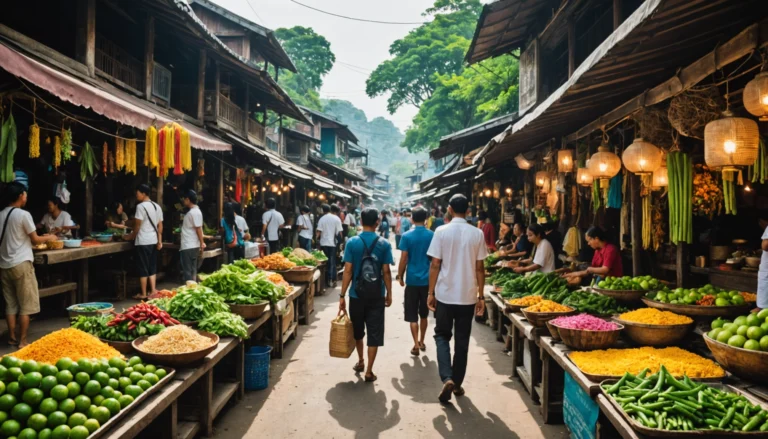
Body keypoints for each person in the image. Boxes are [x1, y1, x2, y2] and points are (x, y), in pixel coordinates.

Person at [427, 194, 487, 403]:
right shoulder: (477, 233)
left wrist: (430, 292)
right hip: (467, 296)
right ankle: (457, 383)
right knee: (462, 341)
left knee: (442, 336)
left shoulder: (441, 232)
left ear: (450, 209)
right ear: (468, 210)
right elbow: (480, 268)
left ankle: (447, 377)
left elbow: (435, 264)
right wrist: (481, 296)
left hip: (445, 294)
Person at [339, 207, 393, 383]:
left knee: (358, 331)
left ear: (361, 222)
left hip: (356, 295)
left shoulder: (352, 242)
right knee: (374, 332)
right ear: (377, 222)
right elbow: (386, 271)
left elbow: (347, 271)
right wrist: (389, 293)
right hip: (377, 295)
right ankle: (369, 370)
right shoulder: (384, 244)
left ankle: (361, 360)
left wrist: (342, 295)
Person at [0, 183, 57, 347]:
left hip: (4, 265)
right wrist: (50, 237)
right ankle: (22, 340)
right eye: (25, 194)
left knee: (10, 304)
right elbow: (35, 239)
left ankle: (11, 337)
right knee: (26, 305)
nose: (26, 197)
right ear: (19, 196)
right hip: (21, 264)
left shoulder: (1, 215)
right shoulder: (23, 215)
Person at [397, 206, 434, 356]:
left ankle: (415, 344)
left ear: (412, 218)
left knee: (412, 315)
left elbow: (404, 258)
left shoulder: (406, 236)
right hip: (427, 281)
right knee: (424, 314)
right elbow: (436, 260)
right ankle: (422, 340)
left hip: (412, 280)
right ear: (426, 219)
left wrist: (400, 275)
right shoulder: (432, 235)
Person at [123, 184, 163, 300]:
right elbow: (160, 225)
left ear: (144, 193)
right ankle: (153, 291)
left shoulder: (140, 207)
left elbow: (137, 225)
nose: (136, 195)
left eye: (138, 193)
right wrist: (159, 240)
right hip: (153, 240)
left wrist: (131, 236)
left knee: (143, 267)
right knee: (152, 266)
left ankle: (144, 293)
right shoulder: (157, 206)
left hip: (143, 241)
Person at [180, 190, 205, 282]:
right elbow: (199, 228)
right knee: (192, 269)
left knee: (188, 270)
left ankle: (190, 288)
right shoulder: (196, 211)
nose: (183, 201)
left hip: (189, 245)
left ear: (188, 199)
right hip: (192, 244)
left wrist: (202, 242)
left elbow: (198, 229)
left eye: (184, 199)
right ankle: (193, 287)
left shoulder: (193, 212)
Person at [317, 204, 343, 287]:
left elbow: (318, 232)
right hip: (332, 243)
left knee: (324, 262)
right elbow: (339, 233)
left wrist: (316, 240)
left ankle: (326, 280)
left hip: (323, 243)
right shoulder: (336, 219)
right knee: (332, 261)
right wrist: (341, 243)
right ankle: (332, 279)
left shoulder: (322, 219)